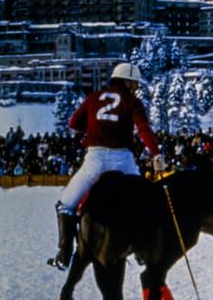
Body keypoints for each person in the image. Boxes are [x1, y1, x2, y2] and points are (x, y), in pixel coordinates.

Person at [51, 62, 166, 269]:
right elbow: (144, 130)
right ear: (127, 82)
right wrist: (156, 154)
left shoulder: (93, 97)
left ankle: (65, 254)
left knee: (66, 205)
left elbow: (73, 124)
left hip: (95, 159)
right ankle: (142, 250)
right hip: (123, 160)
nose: (137, 88)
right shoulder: (133, 101)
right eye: (135, 84)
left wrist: (95, 127)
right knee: (146, 202)